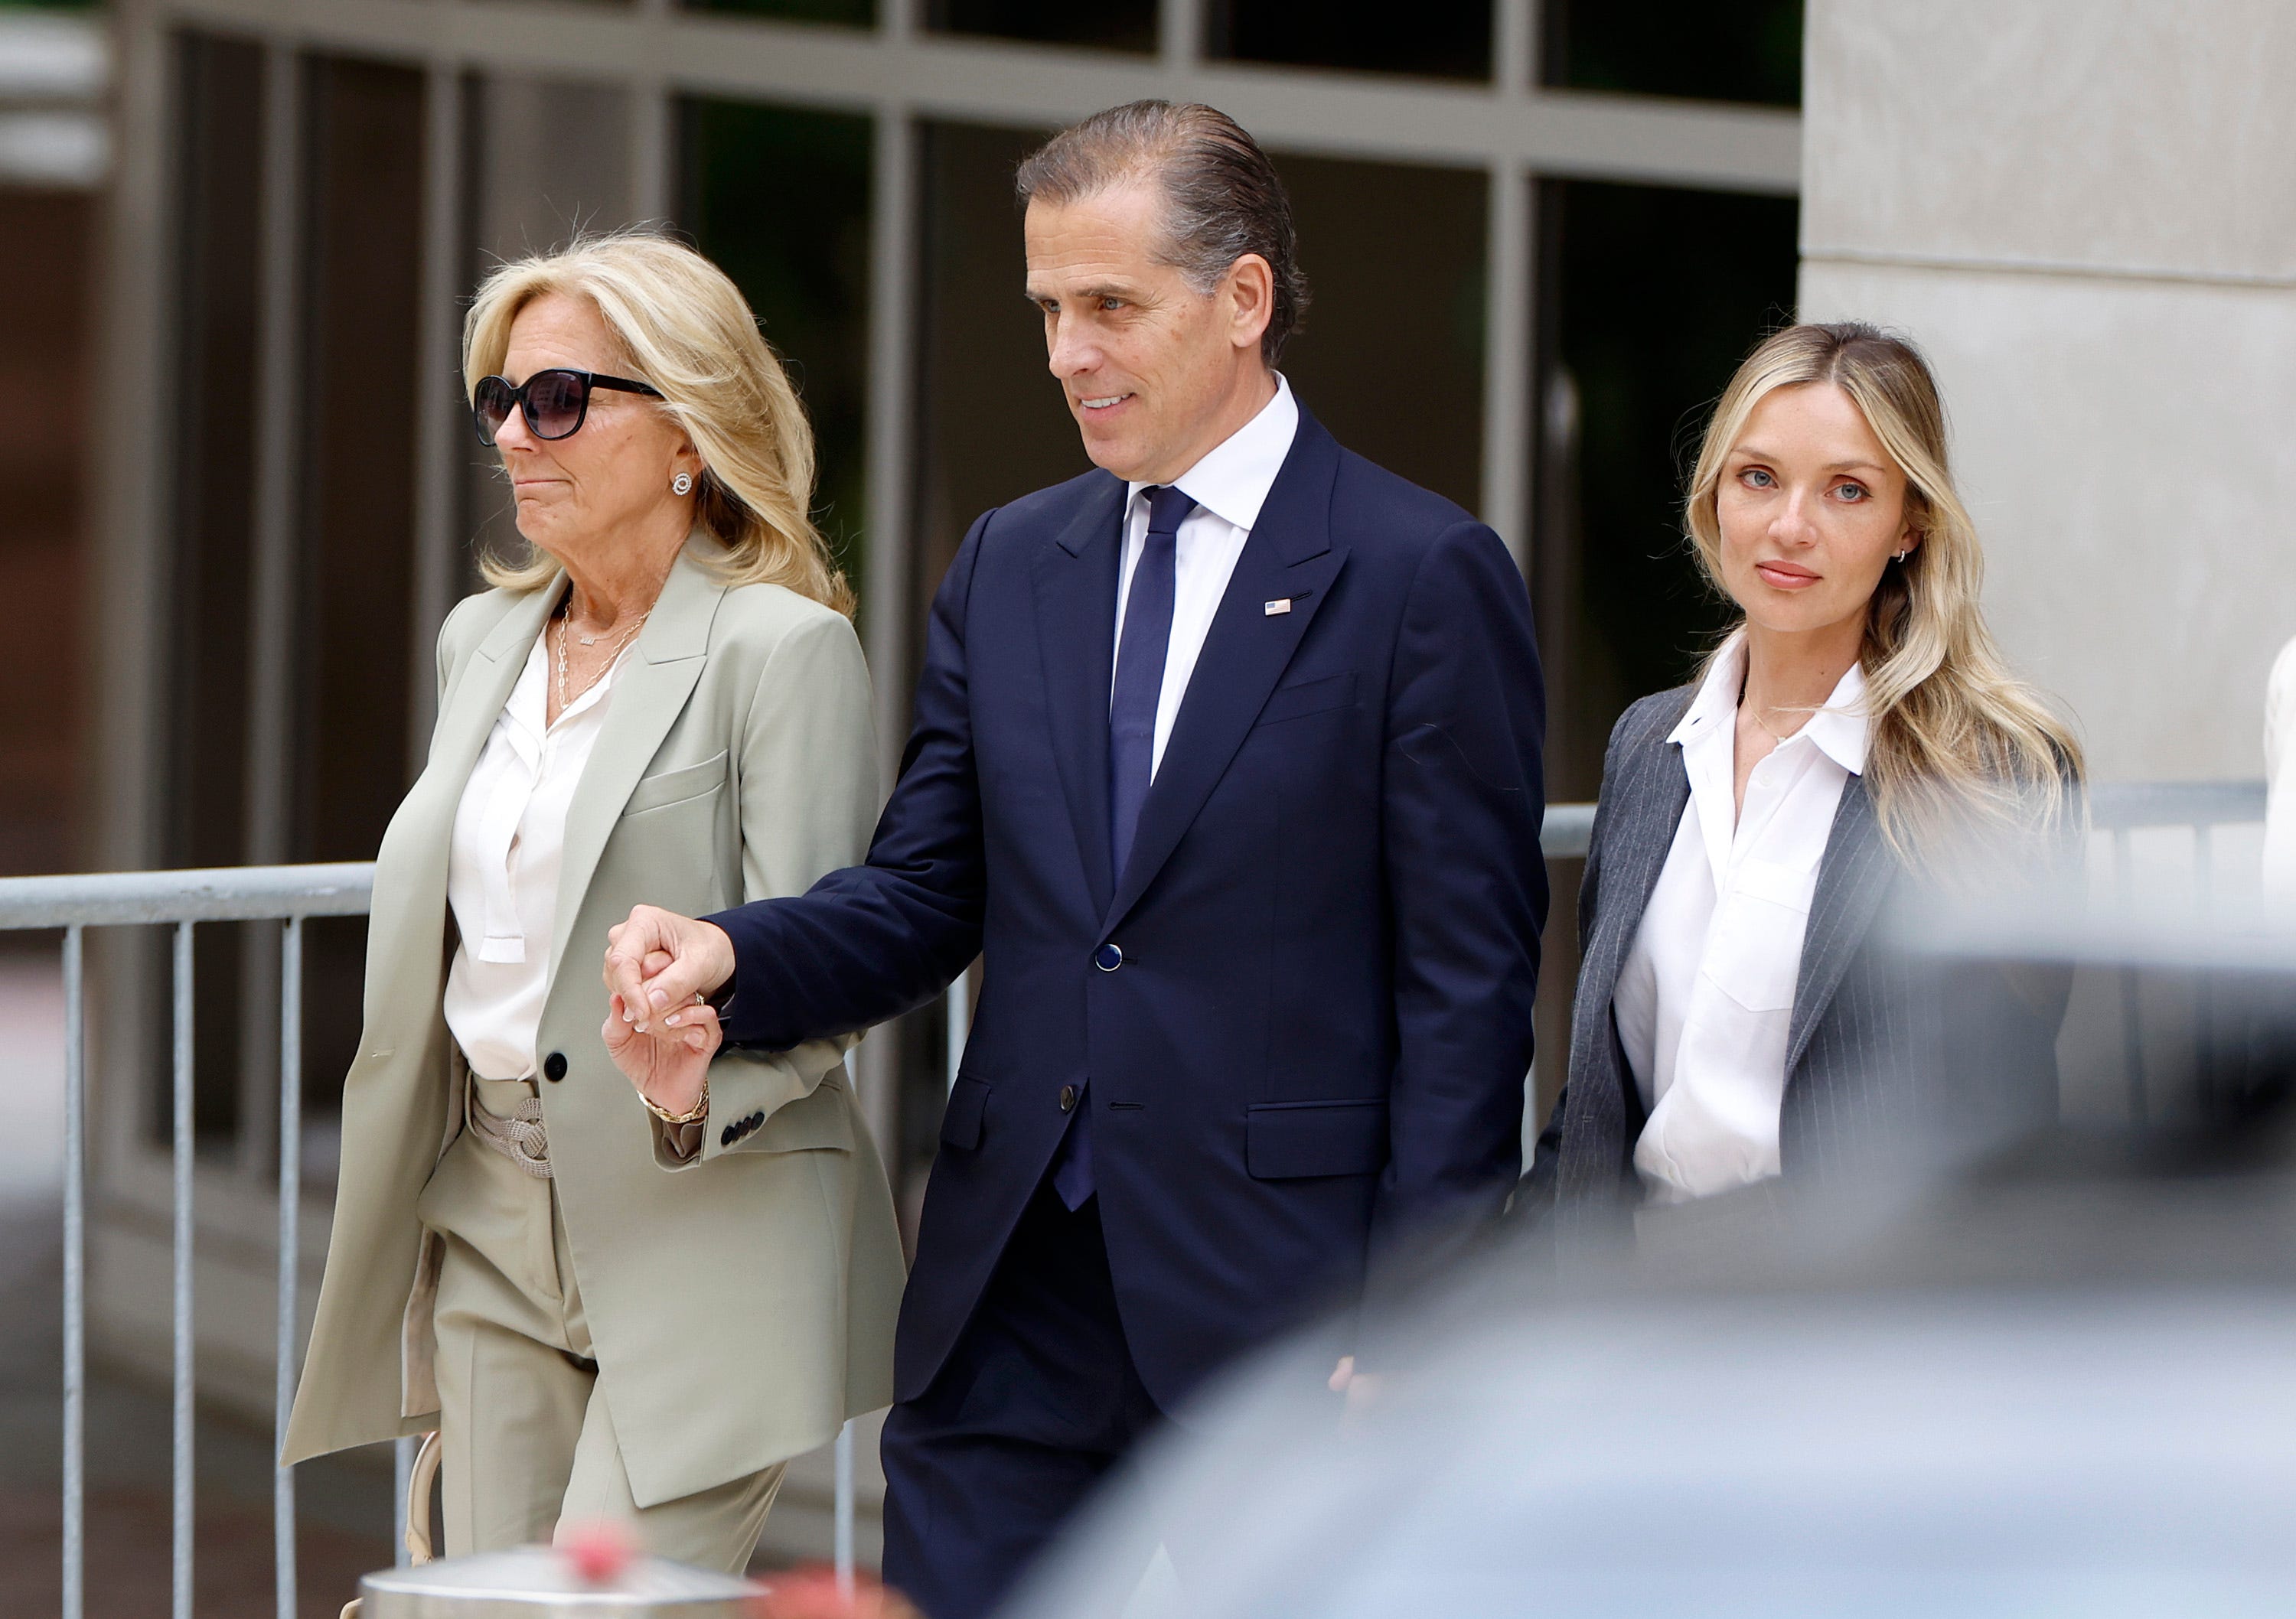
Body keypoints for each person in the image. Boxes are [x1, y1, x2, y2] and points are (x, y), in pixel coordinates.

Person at [599, 102, 1548, 1618]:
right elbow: (927, 893)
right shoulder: (1011, 560)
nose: (1066, 351)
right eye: (1048, 307)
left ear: (1243, 299)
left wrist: (1418, 1317)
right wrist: (735, 957)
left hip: (1284, 1319)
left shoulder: (1419, 575)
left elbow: (1468, 990)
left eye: (1110, 304)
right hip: (1012, 1301)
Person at [280, 233, 905, 1574]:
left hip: (708, 1213)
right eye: (500, 401)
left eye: (558, 399)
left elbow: (830, 969)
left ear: (687, 430)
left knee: (608, 1608)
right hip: (493, 1210)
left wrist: (687, 1088)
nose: (515, 435)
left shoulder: (784, 650)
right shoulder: (479, 640)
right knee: (483, 1604)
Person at [1523, 321, 2081, 1239]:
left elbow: (2003, 1130)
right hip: (1632, 1300)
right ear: (1715, 494)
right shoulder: (1649, 745)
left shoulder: (1992, 772)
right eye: (1759, 477)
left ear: (1911, 524)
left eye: (1847, 490)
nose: (1790, 525)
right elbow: (1596, 1105)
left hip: (1842, 1310)